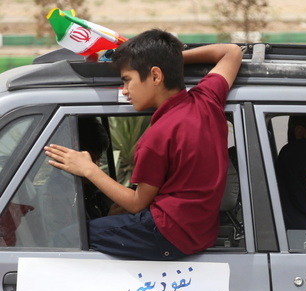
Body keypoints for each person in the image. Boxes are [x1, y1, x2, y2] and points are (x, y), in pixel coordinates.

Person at [44, 30, 243, 260]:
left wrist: (88, 169)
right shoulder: (207, 99)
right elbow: (231, 51)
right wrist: (168, 61)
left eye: (127, 79)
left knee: (69, 236)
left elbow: (138, 203)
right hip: (202, 231)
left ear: (156, 76)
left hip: (167, 235)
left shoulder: (155, 138)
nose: (124, 90)